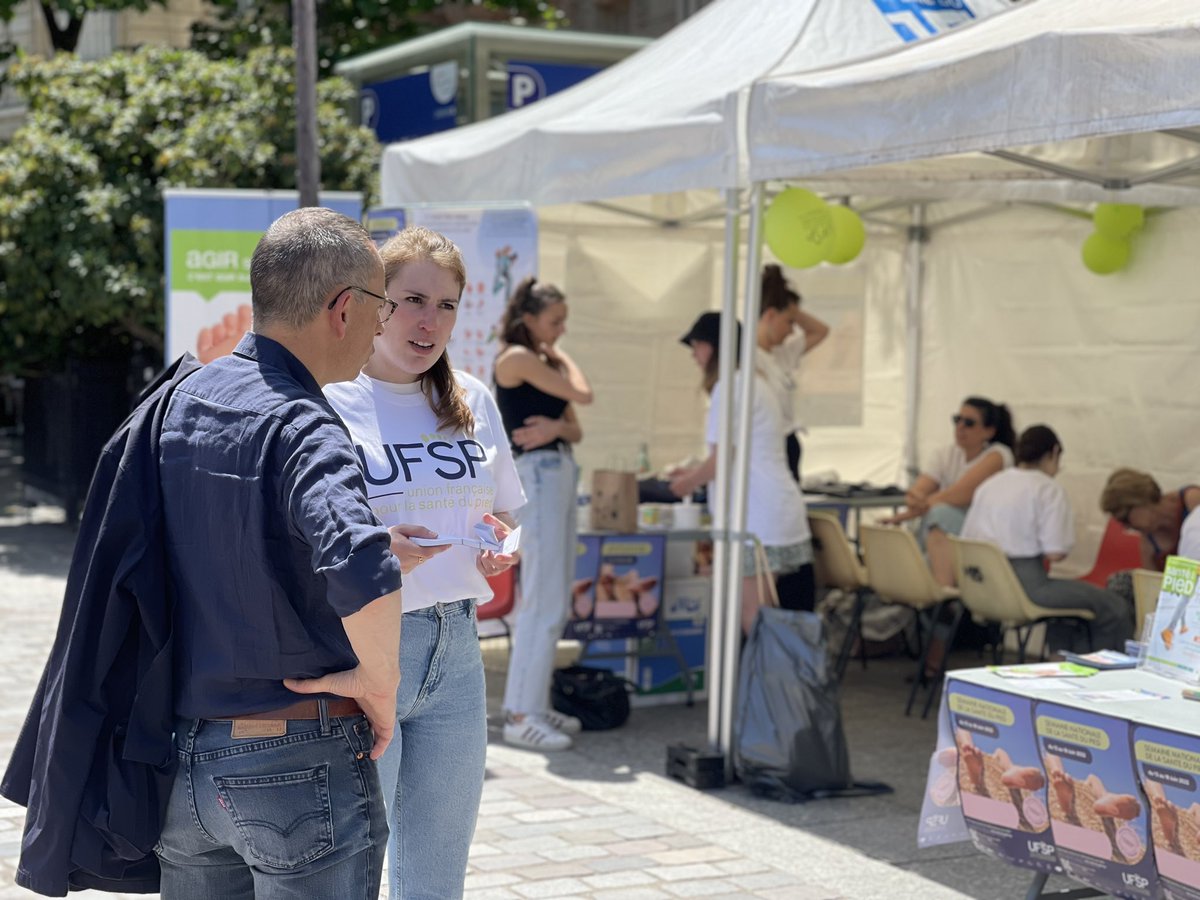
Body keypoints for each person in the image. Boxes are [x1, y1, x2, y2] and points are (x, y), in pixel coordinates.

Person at [153, 208, 407, 899]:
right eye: (383, 305)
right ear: (345, 308)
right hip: (298, 762)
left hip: (184, 760)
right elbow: (364, 565)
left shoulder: (180, 401)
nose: (383, 325)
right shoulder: (305, 423)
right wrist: (378, 684)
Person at [324, 226, 525, 899]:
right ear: (374, 302)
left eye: (446, 306)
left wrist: (498, 543)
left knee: (437, 877)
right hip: (367, 643)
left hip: (459, 649)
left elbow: (500, 510)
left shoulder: (471, 398)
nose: (428, 321)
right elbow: (297, 535)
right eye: (413, 300)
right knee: (351, 870)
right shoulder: (329, 399)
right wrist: (376, 551)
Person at [669, 311, 815, 633]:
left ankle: (766, 669)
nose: (693, 354)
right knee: (765, 616)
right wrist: (694, 471)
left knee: (754, 614)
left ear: (713, 347)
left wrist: (687, 483)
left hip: (759, 519)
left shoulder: (731, 387)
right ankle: (771, 668)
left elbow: (723, 458)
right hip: (773, 513)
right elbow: (737, 453)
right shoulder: (752, 383)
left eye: (697, 345)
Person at [494, 276, 593, 751]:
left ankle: (532, 702)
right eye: (555, 321)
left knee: (555, 599)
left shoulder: (540, 360)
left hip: (558, 471)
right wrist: (561, 357)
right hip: (538, 475)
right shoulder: (517, 358)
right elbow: (583, 394)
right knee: (543, 600)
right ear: (529, 319)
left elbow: (575, 429)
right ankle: (520, 714)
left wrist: (555, 426)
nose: (562, 329)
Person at [962, 425, 1131, 652]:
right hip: (1024, 589)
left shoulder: (989, 484)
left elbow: (966, 538)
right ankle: (1103, 669)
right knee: (1114, 607)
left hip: (980, 587)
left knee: (1068, 607)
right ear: (1054, 452)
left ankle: (1060, 661)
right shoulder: (1048, 489)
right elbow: (1056, 553)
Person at [886, 395, 1016, 587]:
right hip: (953, 534)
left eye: (969, 423)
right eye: (957, 420)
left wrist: (910, 513)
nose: (960, 427)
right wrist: (917, 501)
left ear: (989, 431)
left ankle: (943, 590)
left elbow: (960, 494)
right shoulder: (945, 454)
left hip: (984, 535)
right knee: (934, 518)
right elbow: (916, 493)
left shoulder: (998, 455)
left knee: (940, 515)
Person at [756, 264, 830, 481]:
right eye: (789, 322)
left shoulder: (783, 353)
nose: (792, 330)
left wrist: (793, 311)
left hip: (788, 441)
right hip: (767, 444)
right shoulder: (747, 356)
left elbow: (821, 331)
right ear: (770, 315)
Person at [1099, 468, 1200, 569]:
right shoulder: (1148, 543)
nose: (1126, 527)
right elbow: (1149, 577)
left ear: (1139, 501)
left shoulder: (1192, 500)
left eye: (1125, 519)